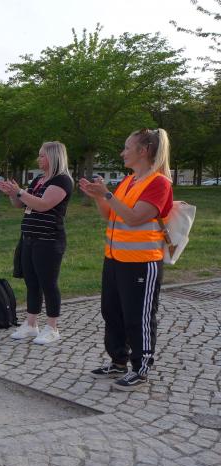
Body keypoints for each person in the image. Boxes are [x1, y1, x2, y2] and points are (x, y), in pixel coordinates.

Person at [79, 128, 173, 391]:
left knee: (138, 316)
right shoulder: (129, 180)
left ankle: (141, 368)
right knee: (112, 312)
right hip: (115, 258)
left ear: (143, 151)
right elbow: (110, 215)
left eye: (127, 148)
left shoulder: (159, 183)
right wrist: (100, 197)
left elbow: (134, 218)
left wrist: (107, 194)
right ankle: (118, 361)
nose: (122, 153)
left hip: (141, 261)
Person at [0, 142, 74, 345]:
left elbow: (43, 205)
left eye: (42, 156)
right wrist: (12, 193)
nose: (38, 159)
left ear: (53, 157)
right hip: (29, 238)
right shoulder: (39, 179)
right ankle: (31, 324)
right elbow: (20, 204)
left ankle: (52, 327)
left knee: (48, 283)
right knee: (31, 282)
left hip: (49, 240)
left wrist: (21, 192)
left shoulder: (62, 180)